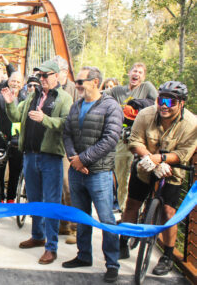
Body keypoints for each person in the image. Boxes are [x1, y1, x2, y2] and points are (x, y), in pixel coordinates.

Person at [119, 81, 196, 276]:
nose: (164, 105)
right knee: (132, 204)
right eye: (162, 99)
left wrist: (161, 159)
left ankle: (168, 256)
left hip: (172, 169)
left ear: (182, 103)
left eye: (171, 101)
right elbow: (135, 140)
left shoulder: (192, 124)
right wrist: (150, 158)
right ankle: (123, 241)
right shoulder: (146, 114)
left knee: (168, 212)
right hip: (145, 164)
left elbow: (184, 153)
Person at [1, 60, 72, 264]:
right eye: (40, 76)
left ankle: (51, 247)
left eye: (46, 75)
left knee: (51, 202)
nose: (42, 79)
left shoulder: (64, 98)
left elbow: (67, 124)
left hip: (51, 157)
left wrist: (45, 119)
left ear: (57, 75)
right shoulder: (33, 95)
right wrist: (9, 102)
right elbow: (16, 116)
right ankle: (38, 236)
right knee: (34, 200)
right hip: (30, 155)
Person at [61, 66, 123, 283]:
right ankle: (83, 255)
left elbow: (110, 138)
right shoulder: (76, 105)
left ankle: (112, 264)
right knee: (81, 217)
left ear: (95, 82)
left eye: (80, 82)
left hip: (99, 174)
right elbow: (67, 133)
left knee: (106, 220)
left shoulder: (111, 106)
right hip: (78, 171)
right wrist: (73, 159)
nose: (76, 85)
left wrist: (83, 159)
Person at [105, 63, 157, 212]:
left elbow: (159, 102)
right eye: (135, 71)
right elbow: (99, 95)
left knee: (136, 176)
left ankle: (138, 212)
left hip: (141, 139)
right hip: (122, 138)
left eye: (140, 72)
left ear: (143, 76)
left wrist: (140, 105)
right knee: (121, 176)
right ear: (129, 73)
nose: (137, 74)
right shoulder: (118, 91)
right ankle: (124, 210)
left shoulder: (146, 87)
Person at [51, 55, 79, 244]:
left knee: (69, 186)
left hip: (70, 145)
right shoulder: (50, 89)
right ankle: (61, 223)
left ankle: (75, 228)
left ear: (64, 72)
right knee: (56, 187)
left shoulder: (75, 90)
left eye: (54, 71)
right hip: (52, 144)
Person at [5, 72, 25, 203]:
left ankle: (12, 199)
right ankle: (4, 196)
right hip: (4, 138)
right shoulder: (2, 96)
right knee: (5, 172)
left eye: (18, 82)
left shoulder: (27, 99)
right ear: (8, 82)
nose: (15, 84)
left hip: (19, 141)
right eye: (13, 81)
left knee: (15, 172)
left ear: (22, 84)